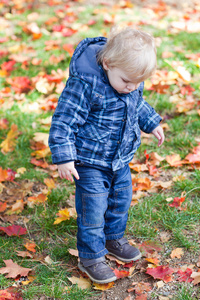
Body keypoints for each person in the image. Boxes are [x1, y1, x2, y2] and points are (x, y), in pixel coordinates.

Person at [49, 27, 165, 284]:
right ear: (108, 63)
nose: (131, 87)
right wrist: (64, 156)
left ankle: (113, 237)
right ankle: (90, 255)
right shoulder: (85, 84)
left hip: (119, 158)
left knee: (119, 201)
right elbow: (64, 121)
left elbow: (137, 104)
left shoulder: (128, 82)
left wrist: (152, 121)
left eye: (137, 83)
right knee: (93, 209)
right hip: (89, 161)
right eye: (127, 81)